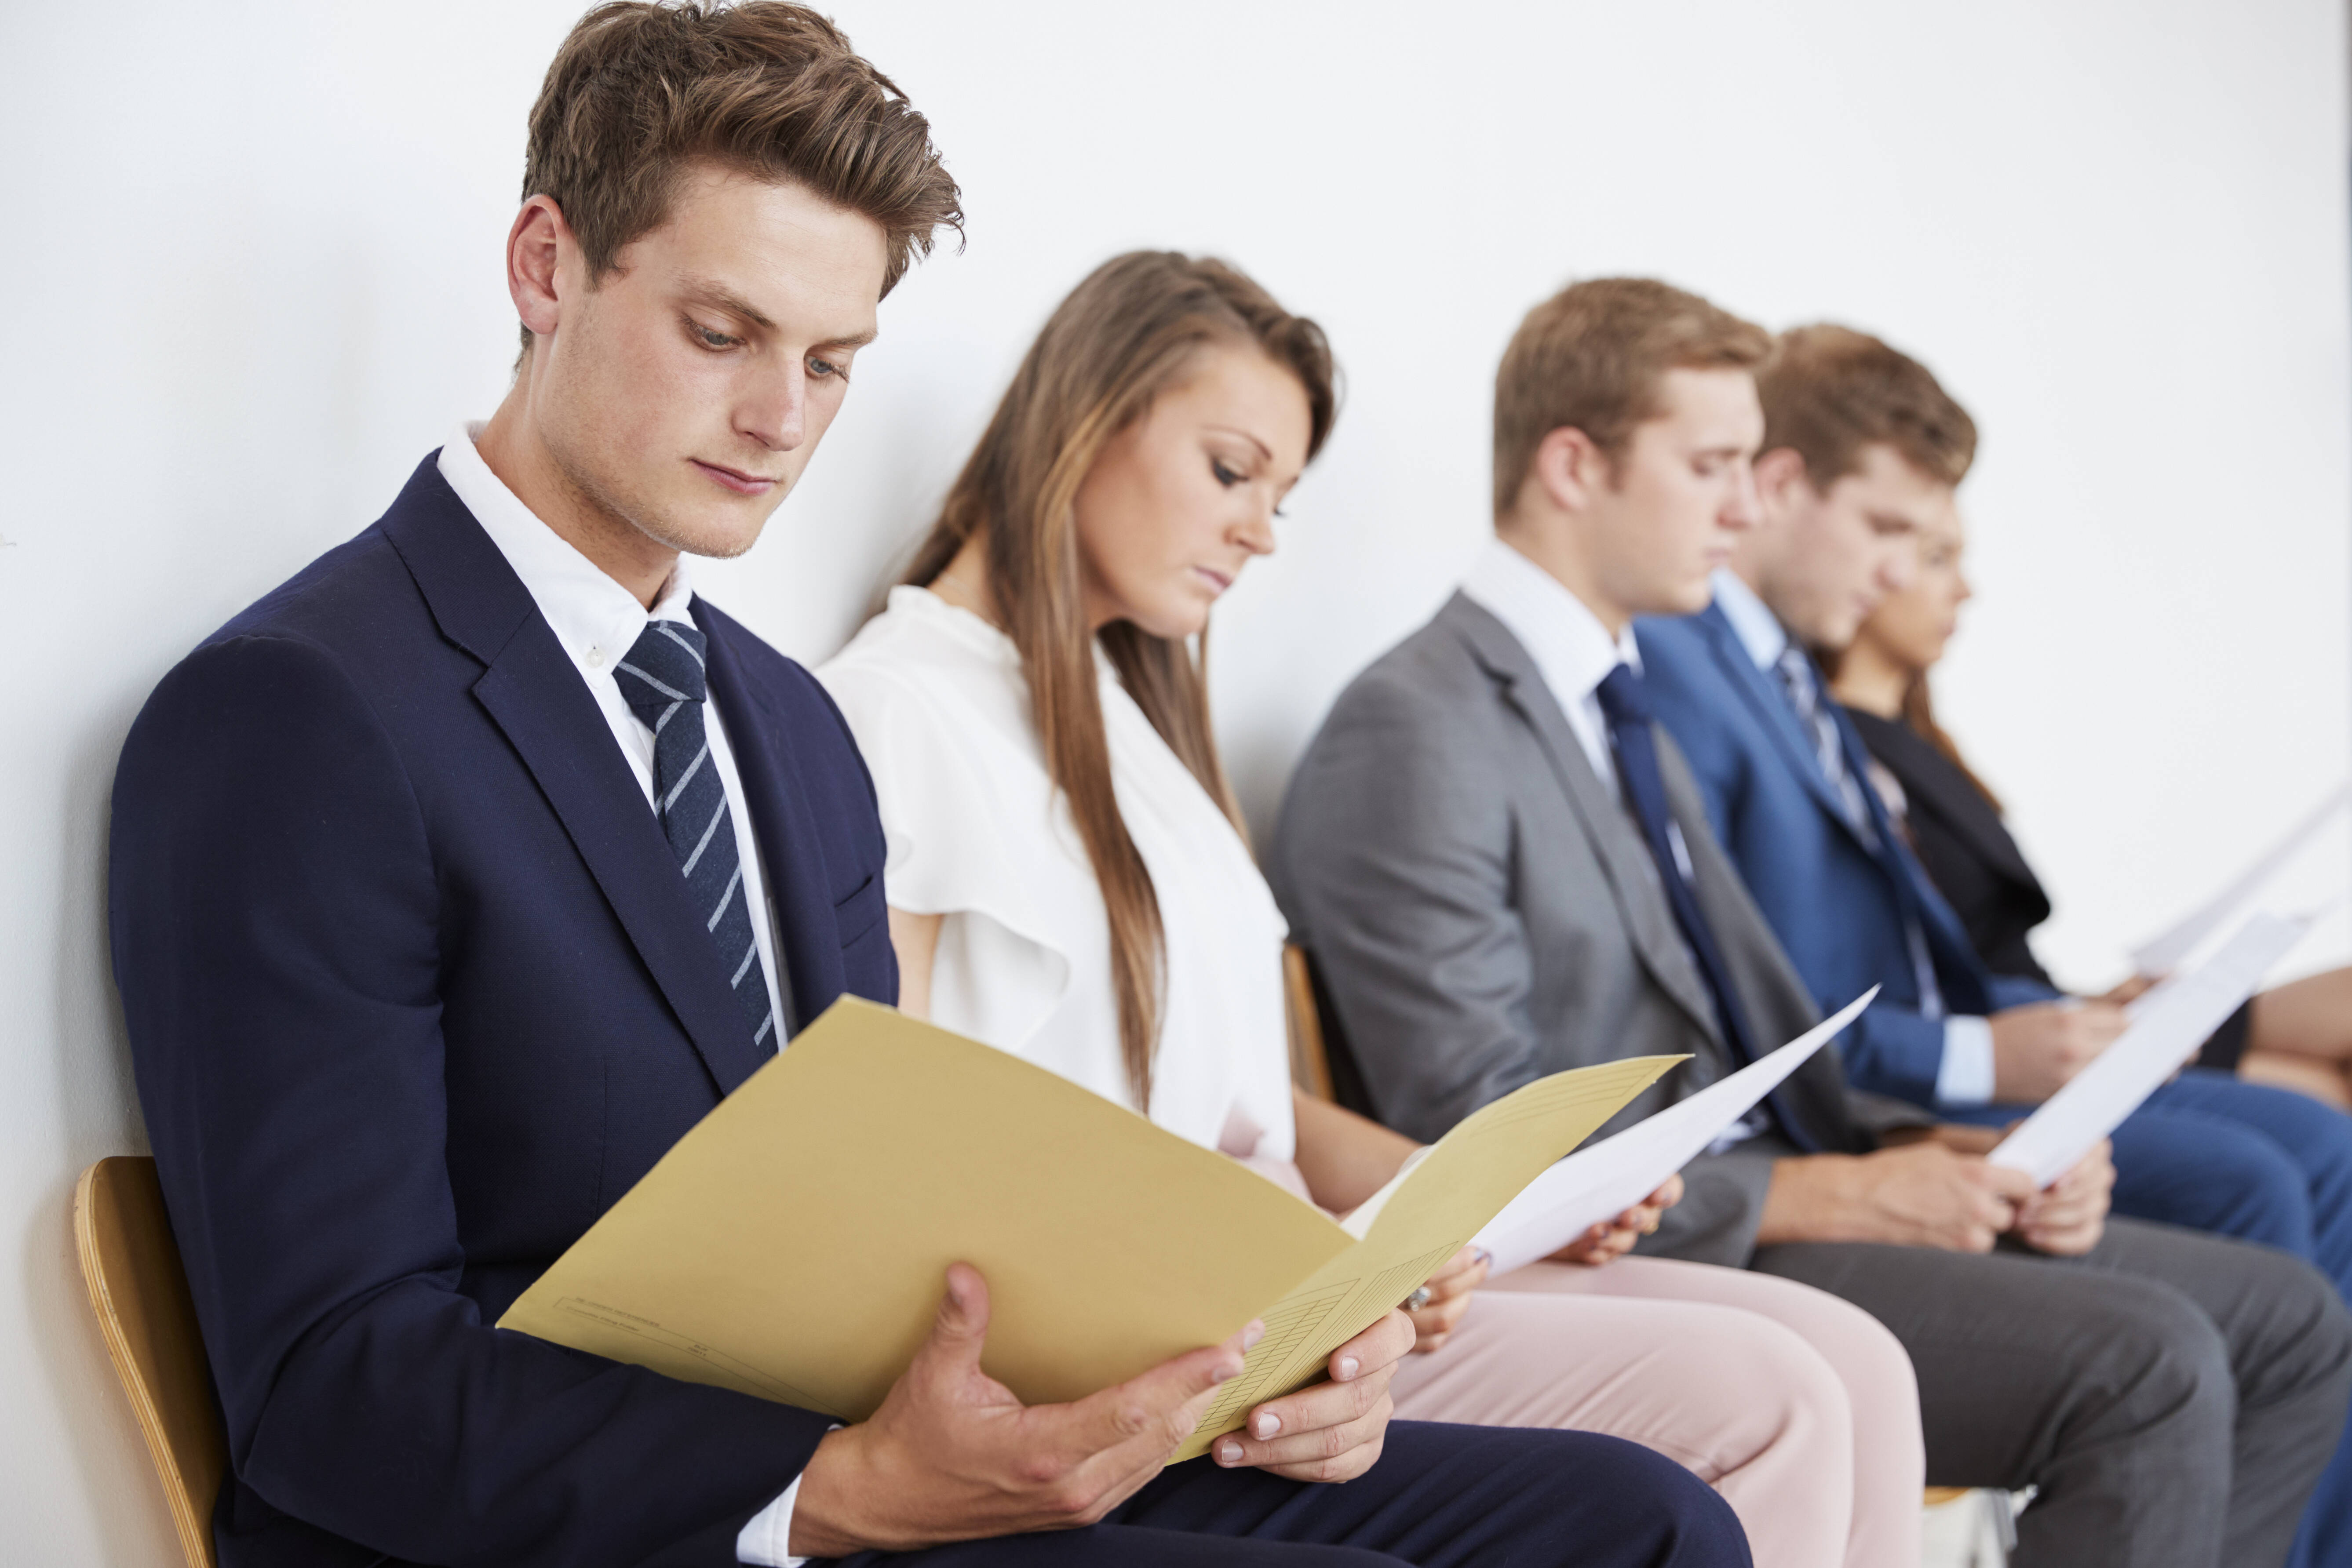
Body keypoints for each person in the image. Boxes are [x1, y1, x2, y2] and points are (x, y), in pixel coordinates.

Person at [102, 10, 1752, 1567]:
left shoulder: (782, 726)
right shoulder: (302, 714)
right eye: (721, 331)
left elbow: (888, 1218)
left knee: (1635, 1520)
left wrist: (1264, 1350)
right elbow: (333, 1378)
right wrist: (828, 1486)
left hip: (896, 1461)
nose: (778, 417)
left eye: (832, 361)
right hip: (644, 1515)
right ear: (548, 266)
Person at [819, 250, 1915, 1568]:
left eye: (1280, 496)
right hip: (1169, 1331)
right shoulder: (895, 715)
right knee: (1776, 1395)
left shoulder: (1131, 726)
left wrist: (1457, 1208)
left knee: (1840, 1363)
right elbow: (900, 1160)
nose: (1261, 533)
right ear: (1081, 423)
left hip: (1274, 1295)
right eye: (1233, 471)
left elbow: (1253, 1114)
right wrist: (1316, 1283)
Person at [1270, 276, 2352, 1568]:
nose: (1746, 507)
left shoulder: (1609, 705)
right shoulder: (1423, 721)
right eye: (1714, 465)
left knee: (2290, 1322)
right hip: (1656, 1234)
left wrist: (1959, 1141)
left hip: (1763, 1179)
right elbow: (1471, 1124)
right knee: (2152, 1364)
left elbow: (1763, 1023)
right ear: (1575, 465)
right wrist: (1837, 1190)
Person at [1631, 319, 2352, 1568]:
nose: (1903, 574)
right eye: (1892, 533)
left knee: (2298, 1168)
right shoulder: (1687, 672)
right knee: (2271, 1177)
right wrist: (1975, 1073)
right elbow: (1764, 1002)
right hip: (1849, 1114)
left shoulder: (1780, 683)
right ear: (1786, 489)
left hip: (1910, 1085)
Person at [1828, 508, 2352, 1112]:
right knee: (2328, 1098)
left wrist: (2095, 1004)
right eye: (1938, 559)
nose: (1966, 590)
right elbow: (1929, 975)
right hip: (2017, 1041)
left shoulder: (1922, 745)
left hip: (2058, 1016)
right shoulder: (1843, 759)